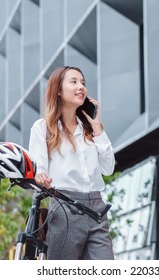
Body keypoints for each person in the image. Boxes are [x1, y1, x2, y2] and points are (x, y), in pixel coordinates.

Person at [28, 66, 115, 260]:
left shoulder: (90, 130)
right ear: (58, 90)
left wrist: (98, 127)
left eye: (83, 83)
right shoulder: (43, 128)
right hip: (64, 207)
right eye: (74, 82)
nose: (81, 87)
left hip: (96, 209)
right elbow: (37, 168)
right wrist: (40, 176)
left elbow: (108, 169)